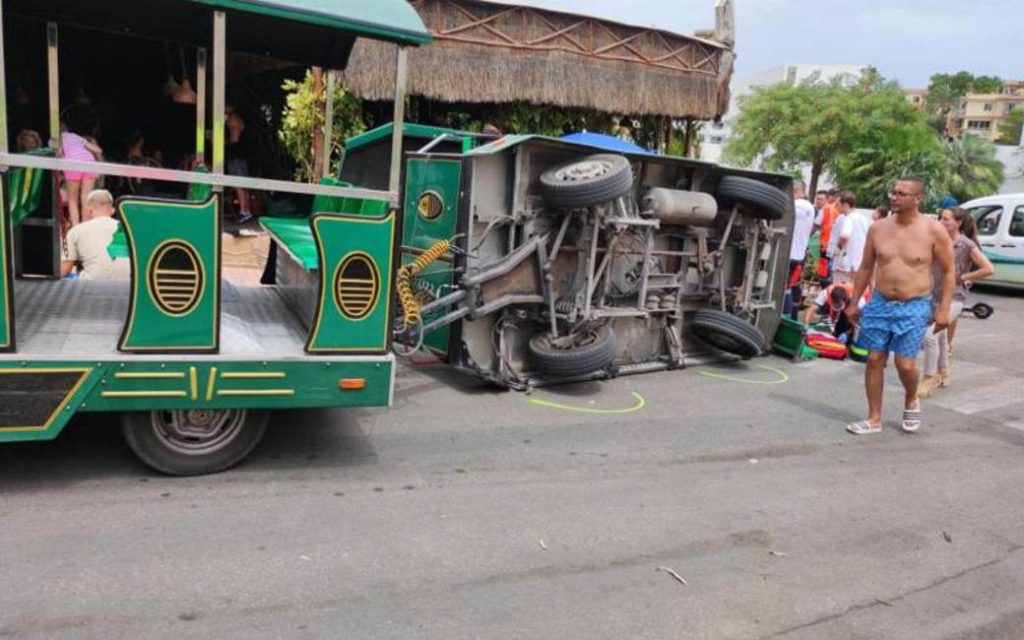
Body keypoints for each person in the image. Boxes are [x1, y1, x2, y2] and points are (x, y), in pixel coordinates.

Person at [844, 176, 954, 435]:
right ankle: (873, 418)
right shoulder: (878, 228)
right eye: (893, 192)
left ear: (918, 198)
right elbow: (865, 267)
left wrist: (944, 309)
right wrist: (853, 302)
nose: (895, 196)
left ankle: (910, 397)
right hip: (880, 302)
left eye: (902, 193)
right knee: (874, 359)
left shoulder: (933, 230)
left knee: (905, 364)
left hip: (915, 304)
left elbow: (949, 272)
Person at [918, 207, 994, 397]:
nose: (941, 222)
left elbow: (988, 268)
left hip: (955, 297)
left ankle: (928, 378)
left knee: (930, 336)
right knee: (941, 336)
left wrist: (964, 276)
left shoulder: (966, 245)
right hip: (933, 295)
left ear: (958, 223)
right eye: (940, 219)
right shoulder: (936, 240)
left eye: (946, 219)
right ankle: (944, 371)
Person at [60, 189, 131, 281]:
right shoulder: (127, 229)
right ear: (112, 210)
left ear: (89, 209)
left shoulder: (76, 231)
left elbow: (63, 271)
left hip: (91, 287)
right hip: (128, 286)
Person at [60, 121, 103, 227]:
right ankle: (86, 226)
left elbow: (59, 154)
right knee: (86, 197)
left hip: (72, 163)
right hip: (89, 163)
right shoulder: (76, 137)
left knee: (72, 199)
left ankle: (75, 227)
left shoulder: (56, 140)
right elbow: (98, 150)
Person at [784, 180, 816, 319]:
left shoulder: (795, 205)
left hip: (788, 254)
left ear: (796, 190)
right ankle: (793, 316)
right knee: (792, 286)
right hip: (799, 255)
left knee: (785, 288)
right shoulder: (811, 207)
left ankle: (785, 317)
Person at [833, 191, 872, 285]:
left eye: (838, 204)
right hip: (861, 263)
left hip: (847, 263)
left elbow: (844, 235)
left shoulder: (848, 218)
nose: (836, 207)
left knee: (842, 292)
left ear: (845, 204)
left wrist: (838, 248)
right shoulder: (865, 219)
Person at [225, 104, 253, 224]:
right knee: (243, 183)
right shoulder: (238, 118)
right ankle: (247, 211)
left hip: (236, 155)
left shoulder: (233, 118)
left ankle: (243, 211)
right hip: (241, 155)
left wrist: (223, 143)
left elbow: (234, 139)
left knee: (238, 183)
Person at [813, 188, 840, 285]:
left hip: (825, 246)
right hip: (837, 247)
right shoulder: (841, 210)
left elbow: (816, 225)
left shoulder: (825, 209)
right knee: (833, 272)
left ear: (829, 197)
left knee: (823, 273)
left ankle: (825, 292)